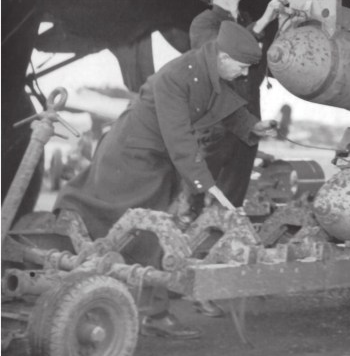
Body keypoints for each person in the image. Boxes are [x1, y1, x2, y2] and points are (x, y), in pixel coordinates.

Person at [56, 22, 277, 339]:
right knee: (143, 231)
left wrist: (253, 127)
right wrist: (208, 185)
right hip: (132, 158)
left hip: (153, 160)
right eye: (242, 67)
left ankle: (142, 308)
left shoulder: (206, 69)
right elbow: (180, 140)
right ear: (224, 56)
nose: (244, 74)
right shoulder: (179, 75)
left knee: (153, 232)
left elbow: (225, 109)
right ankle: (122, 307)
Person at [189, 0, 288, 208]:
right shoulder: (204, 23)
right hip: (217, 125)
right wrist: (265, 20)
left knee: (230, 205)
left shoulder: (245, 20)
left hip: (249, 124)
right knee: (194, 204)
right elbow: (225, 53)